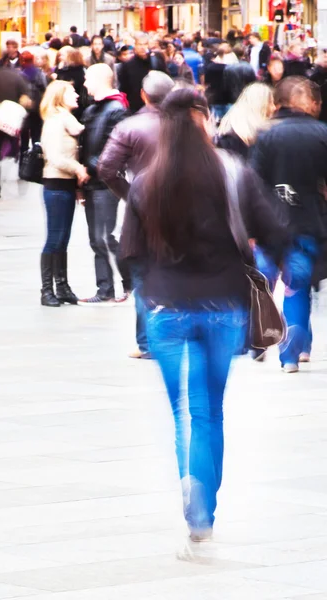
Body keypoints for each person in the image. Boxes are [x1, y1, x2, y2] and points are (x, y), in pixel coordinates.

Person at [120, 87, 287, 551]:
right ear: (205, 119)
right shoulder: (235, 175)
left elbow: (128, 252)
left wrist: (150, 285)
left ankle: (193, 499)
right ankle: (203, 507)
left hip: (166, 309)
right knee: (209, 410)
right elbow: (274, 232)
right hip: (222, 308)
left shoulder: (146, 180)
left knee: (182, 413)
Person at [251, 77, 327, 372]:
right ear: (306, 102)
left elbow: (253, 184)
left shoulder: (266, 136)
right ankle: (292, 356)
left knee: (264, 282)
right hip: (306, 223)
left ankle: (259, 338)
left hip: (270, 225)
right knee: (297, 287)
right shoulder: (321, 134)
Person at [98, 71, 174, 358]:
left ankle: (147, 343)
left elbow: (106, 168)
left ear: (144, 95)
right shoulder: (189, 126)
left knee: (143, 276)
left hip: (142, 211)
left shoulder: (130, 126)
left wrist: (131, 195)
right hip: (183, 208)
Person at [79, 63, 131, 304]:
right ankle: (105, 289)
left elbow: (114, 150)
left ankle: (129, 283)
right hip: (92, 182)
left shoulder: (116, 109)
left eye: (88, 78)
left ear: (100, 80)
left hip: (105, 183)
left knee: (105, 236)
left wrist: (89, 168)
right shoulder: (93, 110)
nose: (85, 83)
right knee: (96, 238)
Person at [39, 81, 88, 307]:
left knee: (63, 239)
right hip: (56, 185)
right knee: (55, 238)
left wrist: (77, 188)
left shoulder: (69, 122)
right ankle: (47, 290)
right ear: (60, 96)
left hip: (66, 186)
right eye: (72, 92)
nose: (77, 95)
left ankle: (63, 286)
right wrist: (78, 169)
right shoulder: (55, 122)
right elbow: (55, 157)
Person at [0, 61, 31, 199]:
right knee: (19, 144)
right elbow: (25, 100)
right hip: (14, 117)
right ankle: (19, 166)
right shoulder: (18, 76)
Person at [218, 82, 274, 159]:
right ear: (259, 105)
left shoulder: (229, 133)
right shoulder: (233, 138)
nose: (274, 107)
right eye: (270, 102)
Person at [118, 33, 167, 114]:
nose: (142, 47)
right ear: (135, 46)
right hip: (135, 109)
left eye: (145, 44)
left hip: (155, 108)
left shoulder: (157, 62)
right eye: (139, 44)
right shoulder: (127, 65)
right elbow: (123, 89)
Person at [19, 51, 47, 163]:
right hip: (36, 108)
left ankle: (23, 161)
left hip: (24, 109)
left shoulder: (20, 73)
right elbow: (44, 88)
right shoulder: (38, 73)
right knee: (36, 136)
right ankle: (35, 161)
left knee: (24, 137)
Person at [54, 46, 87, 120]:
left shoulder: (78, 70)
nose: (60, 57)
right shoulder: (60, 67)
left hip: (76, 101)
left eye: (63, 55)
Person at [204, 49, 228, 123]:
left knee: (216, 118)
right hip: (226, 95)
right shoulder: (227, 67)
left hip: (214, 95)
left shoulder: (210, 67)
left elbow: (207, 82)